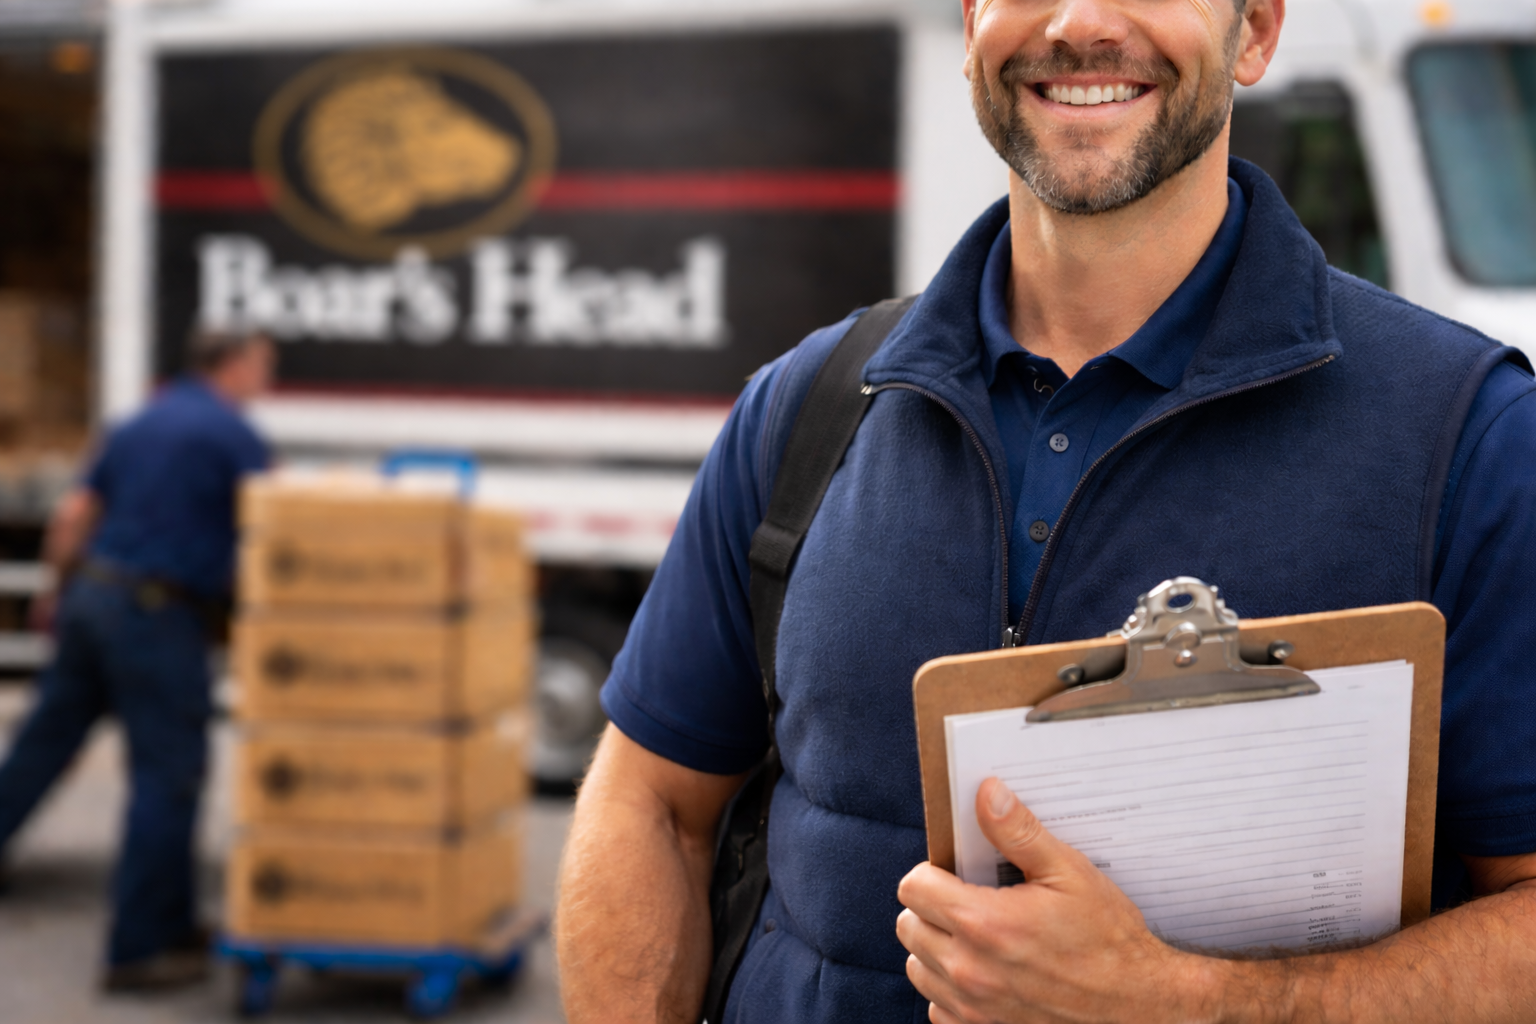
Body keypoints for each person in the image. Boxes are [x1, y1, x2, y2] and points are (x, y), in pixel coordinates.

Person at [556, 0, 1536, 1020]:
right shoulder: (809, 405)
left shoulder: (1470, 437)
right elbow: (650, 803)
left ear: (1256, 32)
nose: (1078, 23)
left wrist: (1188, 1002)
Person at [0, 329, 273, 991]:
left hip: (92, 595)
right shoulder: (233, 436)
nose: (265, 380)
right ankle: (140, 948)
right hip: (158, 612)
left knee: (44, 740)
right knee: (168, 774)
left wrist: (53, 592)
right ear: (233, 366)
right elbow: (273, 533)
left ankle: (174, 920)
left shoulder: (136, 423)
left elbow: (72, 514)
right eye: (263, 367)